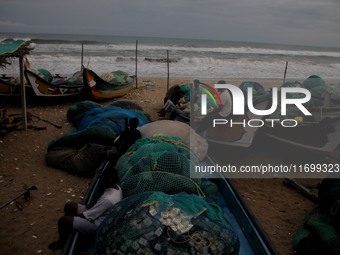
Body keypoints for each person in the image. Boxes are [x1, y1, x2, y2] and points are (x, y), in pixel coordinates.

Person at [48, 169, 122, 251]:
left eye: (103, 179)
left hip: (97, 225)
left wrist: (75, 218)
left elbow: (86, 216)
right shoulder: (117, 188)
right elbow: (102, 208)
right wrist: (94, 207)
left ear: (110, 180)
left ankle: (61, 243)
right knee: (69, 206)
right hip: (98, 214)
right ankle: (69, 232)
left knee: (63, 221)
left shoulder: (108, 199)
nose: (101, 181)